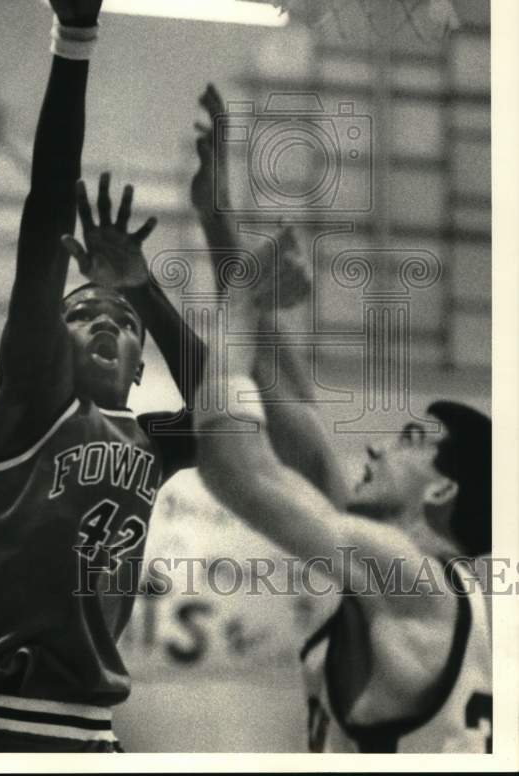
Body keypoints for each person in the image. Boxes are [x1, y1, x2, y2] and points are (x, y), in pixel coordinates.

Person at [0, 0, 202, 753]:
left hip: (89, 731)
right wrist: (74, 38)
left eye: (124, 323)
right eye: (83, 311)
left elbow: (229, 411)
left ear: (142, 366)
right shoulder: (32, 406)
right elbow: (46, 218)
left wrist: (144, 285)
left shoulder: (152, 444)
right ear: (52, 340)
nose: (105, 320)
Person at [191, 84, 492, 753]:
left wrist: (238, 309)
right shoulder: (421, 584)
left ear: (442, 490)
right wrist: (219, 224)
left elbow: (234, 467)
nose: (379, 448)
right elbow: (298, 421)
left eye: (410, 441)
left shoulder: (408, 577)